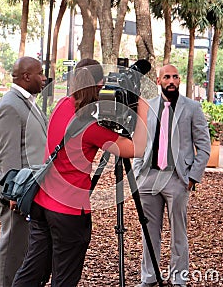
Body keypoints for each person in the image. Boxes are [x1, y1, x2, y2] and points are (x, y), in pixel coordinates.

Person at [12, 58, 148, 287]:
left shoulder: (62, 105)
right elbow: (137, 148)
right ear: (101, 84)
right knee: (65, 277)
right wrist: (141, 109)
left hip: (42, 203)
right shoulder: (92, 127)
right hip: (69, 212)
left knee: (32, 272)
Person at [133, 64, 211, 287]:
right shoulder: (148, 107)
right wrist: (139, 173)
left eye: (175, 77)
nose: (172, 81)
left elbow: (203, 146)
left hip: (178, 179)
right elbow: (140, 143)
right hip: (150, 177)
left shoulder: (192, 108)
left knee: (179, 233)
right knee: (149, 233)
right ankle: (149, 277)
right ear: (158, 81)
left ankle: (179, 279)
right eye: (166, 77)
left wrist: (193, 176)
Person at [0, 56, 47, 287]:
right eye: (40, 74)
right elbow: (7, 154)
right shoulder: (10, 106)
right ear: (26, 77)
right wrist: (14, 194)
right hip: (16, 192)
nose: (43, 78)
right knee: (12, 248)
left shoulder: (27, 101)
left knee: (23, 248)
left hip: (27, 190)